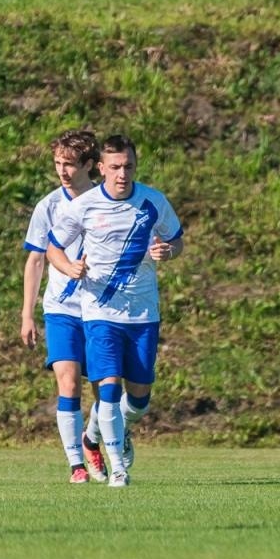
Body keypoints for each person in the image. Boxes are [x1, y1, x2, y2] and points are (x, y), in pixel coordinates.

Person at [46, 135, 183, 488]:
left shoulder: (153, 202)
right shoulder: (85, 205)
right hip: (99, 313)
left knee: (138, 400)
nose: (123, 174)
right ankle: (118, 470)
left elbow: (177, 239)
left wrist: (169, 251)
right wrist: (68, 267)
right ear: (101, 168)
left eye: (129, 167)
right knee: (107, 388)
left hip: (142, 314)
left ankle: (93, 436)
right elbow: (53, 247)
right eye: (116, 167)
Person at [21, 129, 107, 482]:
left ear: (89, 165)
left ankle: (92, 439)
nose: (62, 171)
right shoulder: (49, 206)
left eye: (70, 164)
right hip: (61, 308)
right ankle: (76, 465)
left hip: (102, 308)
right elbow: (35, 260)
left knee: (107, 387)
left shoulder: (108, 202)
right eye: (58, 163)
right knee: (67, 382)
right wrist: (27, 313)